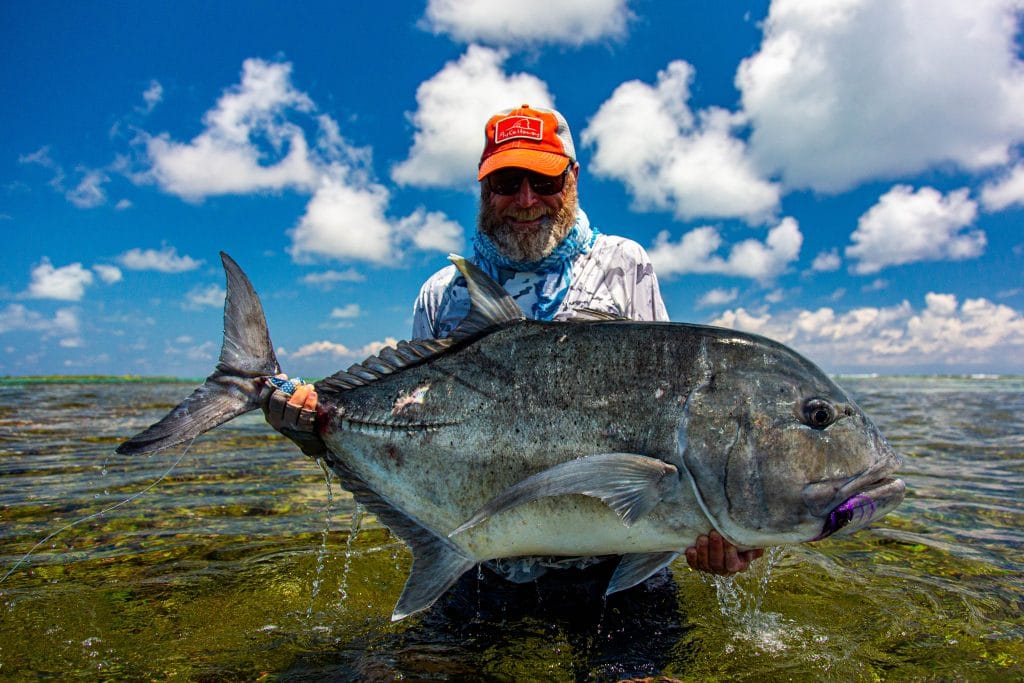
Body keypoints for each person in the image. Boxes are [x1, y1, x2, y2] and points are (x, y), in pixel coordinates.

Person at [262, 104, 762, 578]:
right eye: (506, 182)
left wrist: (720, 521)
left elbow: (672, 415)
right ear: (483, 188)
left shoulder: (623, 266)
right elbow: (408, 428)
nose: (526, 200)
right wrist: (318, 427)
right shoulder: (443, 292)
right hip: (482, 565)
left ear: (573, 180)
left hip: (611, 557)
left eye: (544, 180)